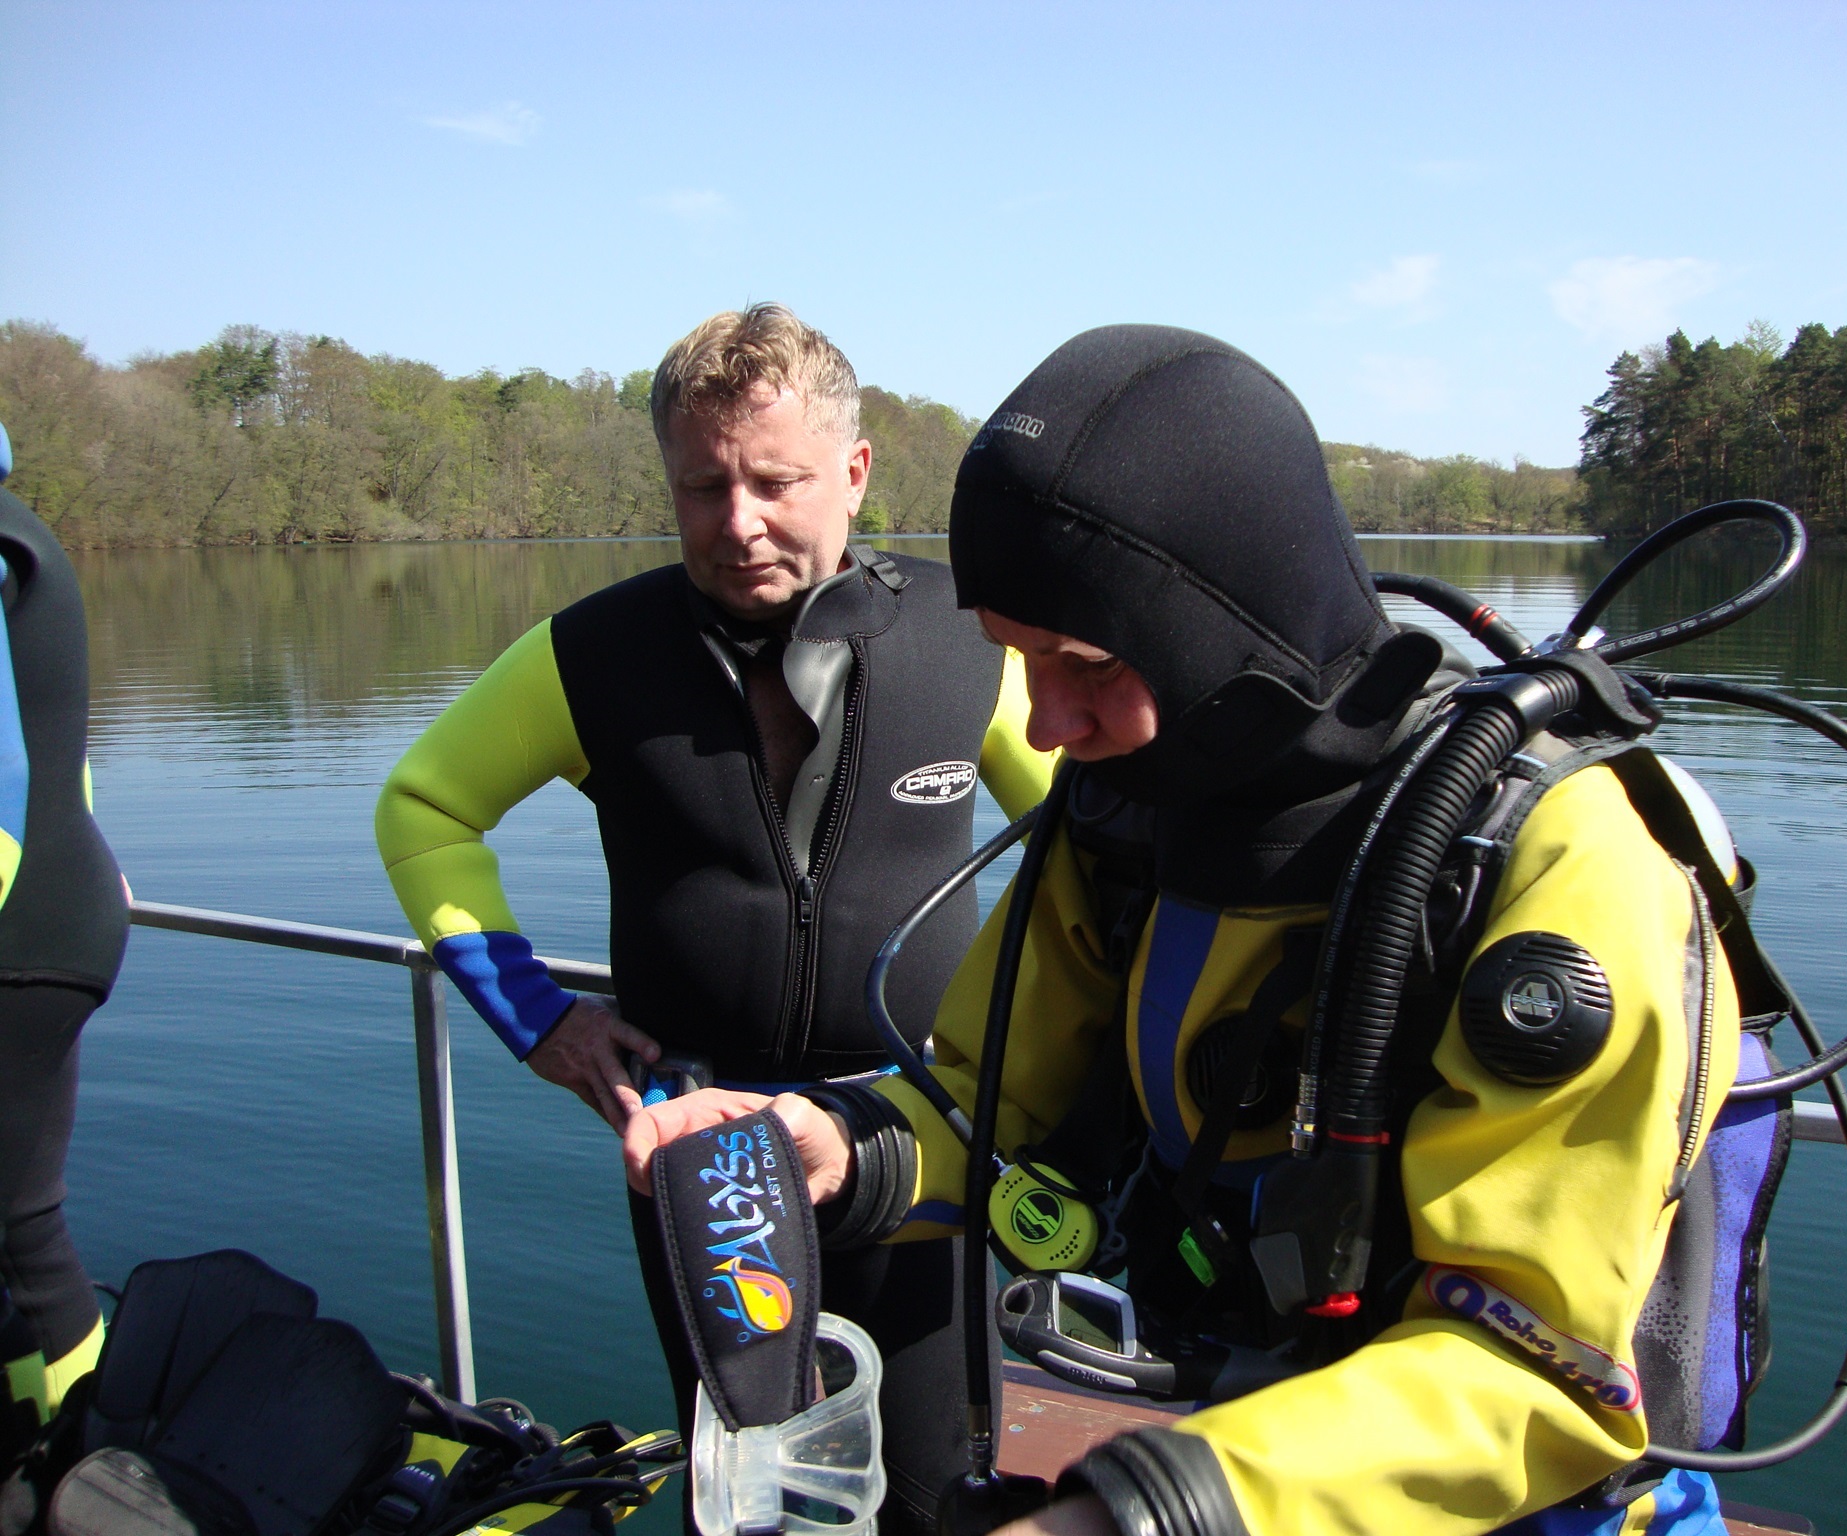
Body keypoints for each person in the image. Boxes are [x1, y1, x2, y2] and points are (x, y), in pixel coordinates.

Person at [625, 326, 1762, 1536]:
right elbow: (993, 1107)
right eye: (1017, 661)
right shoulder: (1127, 812)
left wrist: (1135, 1517)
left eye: (1081, 663)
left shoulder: (1561, 858)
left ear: (1221, 628)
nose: (1045, 727)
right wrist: (837, 1147)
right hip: (1238, 1455)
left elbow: (1539, 1376)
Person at [375, 305, 1052, 1533]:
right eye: (703, 486)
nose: (737, 522)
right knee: (744, 1502)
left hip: (912, 1134)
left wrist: (1030, 1041)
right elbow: (424, 809)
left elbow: (1088, 846)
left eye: (775, 482)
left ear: (854, 472)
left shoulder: (972, 642)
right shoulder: (592, 654)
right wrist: (538, 1021)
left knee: (937, 1495)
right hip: (702, 1150)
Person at [1, 421, 130, 1458]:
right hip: (55, 904)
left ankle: (70, 1466)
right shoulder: (20, 533)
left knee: (19, 1237)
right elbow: (55, 761)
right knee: (22, 1228)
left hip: (18, 926)